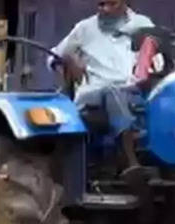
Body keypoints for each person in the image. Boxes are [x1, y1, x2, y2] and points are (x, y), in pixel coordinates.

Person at [51, 0, 153, 175]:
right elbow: (54, 56)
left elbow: (155, 56)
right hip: (93, 94)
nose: (104, 10)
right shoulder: (85, 28)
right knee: (112, 91)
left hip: (130, 91)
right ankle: (129, 161)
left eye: (111, 4)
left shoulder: (142, 25)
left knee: (120, 93)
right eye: (101, 4)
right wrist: (68, 60)